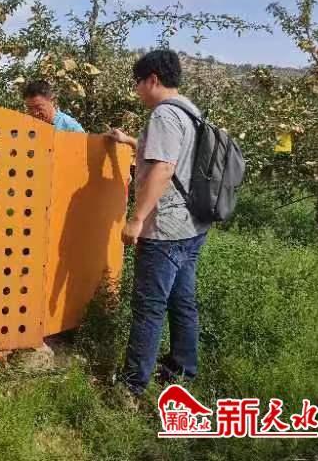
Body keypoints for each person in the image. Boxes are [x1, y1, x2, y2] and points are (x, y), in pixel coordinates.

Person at [105, 49, 210, 397]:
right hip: (191, 225)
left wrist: (137, 219)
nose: (136, 90)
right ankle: (182, 371)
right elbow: (169, 154)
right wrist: (129, 141)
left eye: (138, 82)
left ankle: (132, 387)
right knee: (182, 301)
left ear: (152, 79)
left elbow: (164, 167)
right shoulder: (189, 110)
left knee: (149, 307)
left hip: (164, 229)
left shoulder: (164, 114)